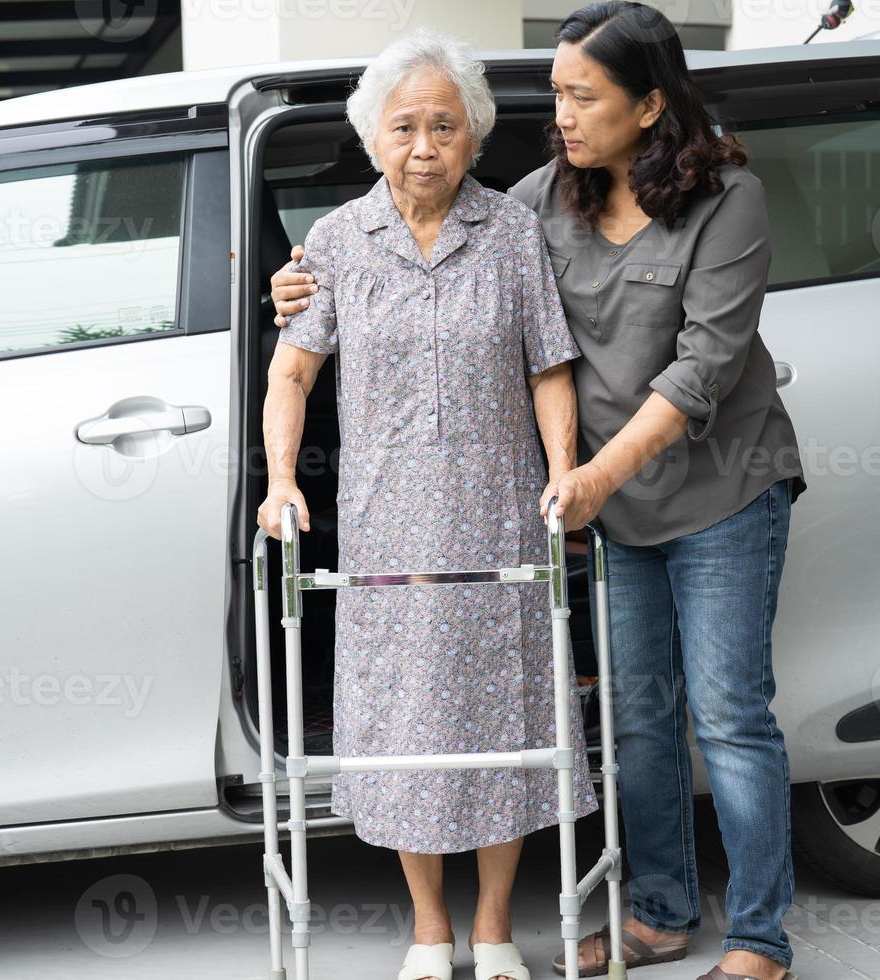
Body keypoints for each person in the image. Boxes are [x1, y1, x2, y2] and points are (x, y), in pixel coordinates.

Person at [271, 5, 807, 979]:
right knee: (637, 713)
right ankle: (657, 912)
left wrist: (583, 474)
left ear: (649, 106)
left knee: (728, 709)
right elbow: (433, 226)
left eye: (579, 95)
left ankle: (760, 936)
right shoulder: (540, 202)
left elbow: (703, 369)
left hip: (719, 489)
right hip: (616, 503)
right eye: (555, 92)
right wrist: (296, 286)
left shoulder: (727, 199)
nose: (557, 112)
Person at [256, 27, 600, 980]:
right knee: (409, 730)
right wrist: (283, 480)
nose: (423, 146)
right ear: (373, 139)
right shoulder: (335, 241)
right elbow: (291, 373)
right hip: (387, 527)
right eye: (404, 126)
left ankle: (493, 929)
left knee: (502, 728)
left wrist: (562, 475)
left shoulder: (511, 232)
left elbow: (550, 367)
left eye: (443, 126)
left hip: (498, 515)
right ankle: (429, 931)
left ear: (474, 137)